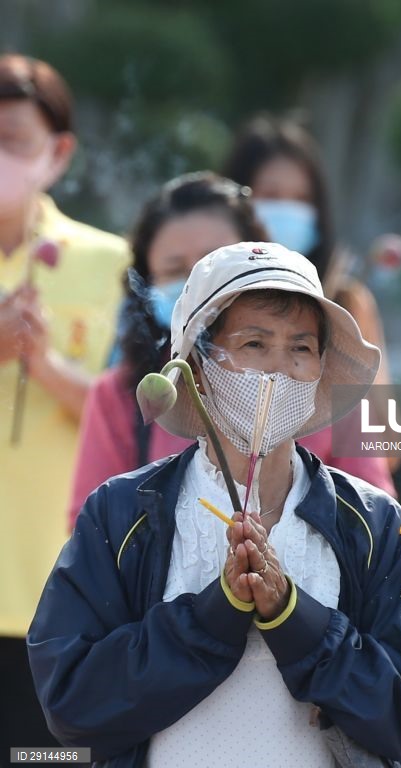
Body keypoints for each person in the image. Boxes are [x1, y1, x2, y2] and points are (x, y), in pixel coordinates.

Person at [28, 242, 401, 768]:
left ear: (321, 368)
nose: (279, 369)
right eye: (254, 344)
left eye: (300, 348)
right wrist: (214, 615)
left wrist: (296, 619)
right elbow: (73, 702)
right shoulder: (123, 514)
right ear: (199, 368)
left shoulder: (371, 522)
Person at [0, 54, 129, 755]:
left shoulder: (110, 265)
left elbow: (144, 422)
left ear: (59, 152)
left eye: (13, 139)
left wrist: (45, 367)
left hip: (63, 600)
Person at [68, 171, 267, 528]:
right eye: (175, 270)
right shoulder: (121, 395)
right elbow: (93, 532)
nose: (197, 282)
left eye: (215, 261)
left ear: (264, 259)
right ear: (146, 287)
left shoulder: (326, 377)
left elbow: (375, 522)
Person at [223, 114, 400, 487]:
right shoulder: (203, 307)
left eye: (302, 200)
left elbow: (385, 444)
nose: (287, 211)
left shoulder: (346, 304)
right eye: (271, 197)